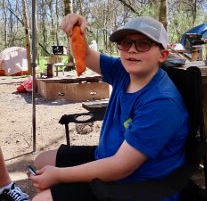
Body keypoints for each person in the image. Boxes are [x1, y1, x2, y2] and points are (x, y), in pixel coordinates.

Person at [30, 14, 190, 201]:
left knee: (42, 198)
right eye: (125, 43)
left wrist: (59, 175)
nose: (132, 50)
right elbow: (86, 55)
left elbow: (121, 167)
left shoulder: (161, 102)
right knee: (41, 162)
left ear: (163, 55)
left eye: (143, 44)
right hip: (107, 157)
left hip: (138, 184)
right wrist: (76, 31)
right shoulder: (122, 71)